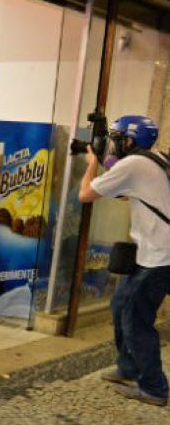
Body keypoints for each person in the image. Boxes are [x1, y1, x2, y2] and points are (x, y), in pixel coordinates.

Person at [78, 115, 170, 407]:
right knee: (121, 305)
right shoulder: (156, 159)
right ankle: (129, 367)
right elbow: (125, 195)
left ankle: (154, 387)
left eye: (116, 138)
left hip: (159, 256)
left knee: (136, 318)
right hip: (153, 253)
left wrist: (91, 164)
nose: (112, 145)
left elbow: (85, 195)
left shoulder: (134, 164)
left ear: (129, 141)